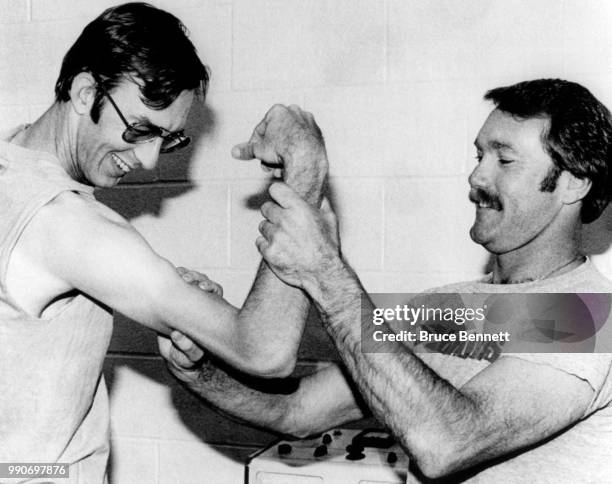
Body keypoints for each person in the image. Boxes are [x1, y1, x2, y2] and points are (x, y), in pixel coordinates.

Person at [161, 79, 612, 482]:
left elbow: (444, 444)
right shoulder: (449, 307)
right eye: (480, 154)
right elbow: (297, 410)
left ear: (574, 185)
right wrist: (200, 368)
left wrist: (324, 271)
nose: (476, 176)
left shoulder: (587, 315)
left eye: (505, 160)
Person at [0, 2, 327, 481]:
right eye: (140, 129)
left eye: (168, 140)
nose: (150, 160)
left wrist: (169, 296)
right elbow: (266, 352)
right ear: (85, 90)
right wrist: (306, 171)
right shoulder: (64, 222)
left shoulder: (13, 171)